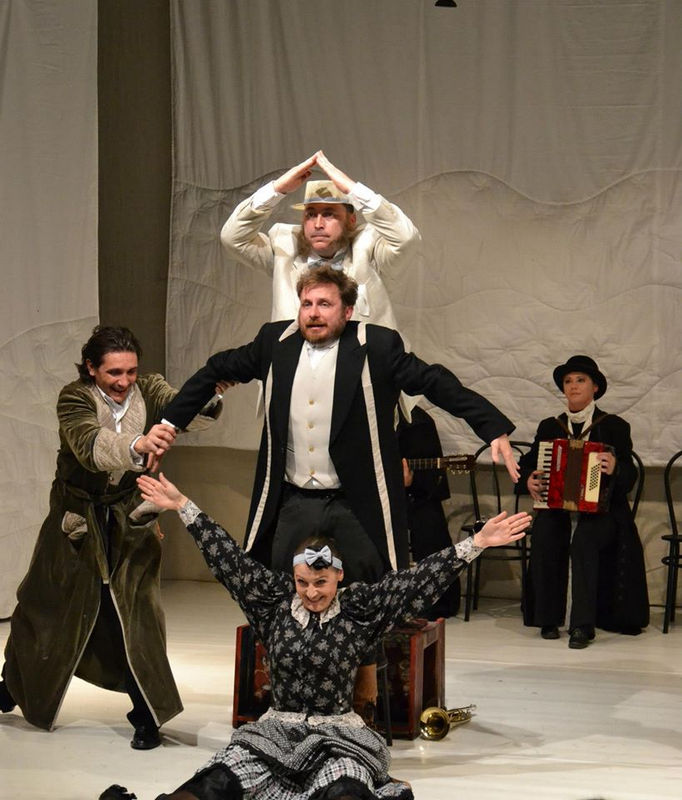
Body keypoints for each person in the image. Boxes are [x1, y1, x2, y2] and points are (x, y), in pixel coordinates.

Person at [160, 266, 520, 717]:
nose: (313, 313)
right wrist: (169, 422)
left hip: (355, 501)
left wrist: (492, 428)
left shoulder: (377, 345)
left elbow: (435, 382)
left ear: (347, 311)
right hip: (293, 497)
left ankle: (363, 701)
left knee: (368, 594)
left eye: (325, 304)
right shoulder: (274, 342)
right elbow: (217, 369)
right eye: (307, 304)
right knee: (278, 590)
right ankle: (282, 696)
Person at [99, 471, 531, 800]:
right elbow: (227, 559)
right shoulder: (271, 602)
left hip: (338, 740)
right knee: (211, 786)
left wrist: (476, 543)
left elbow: (417, 583)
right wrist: (182, 506)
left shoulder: (361, 609)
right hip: (273, 736)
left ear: (339, 577)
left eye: (320, 583)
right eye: (303, 582)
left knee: (345, 793)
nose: (310, 592)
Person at [0, 326, 221, 748]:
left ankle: (147, 715)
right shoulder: (74, 397)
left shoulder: (149, 389)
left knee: (136, 615)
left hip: (128, 518)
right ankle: (13, 687)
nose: (124, 381)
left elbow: (185, 411)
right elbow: (90, 446)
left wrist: (208, 393)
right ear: (91, 368)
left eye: (130, 371)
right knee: (43, 609)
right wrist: (140, 443)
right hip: (76, 519)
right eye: (114, 372)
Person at [516, 355, 649, 649]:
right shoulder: (550, 427)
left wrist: (615, 467)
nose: (573, 386)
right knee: (546, 532)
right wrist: (527, 480)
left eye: (580, 380)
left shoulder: (614, 426)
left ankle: (582, 626)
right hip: (557, 508)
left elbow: (630, 476)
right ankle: (548, 618)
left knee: (585, 540)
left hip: (603, 512)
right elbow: (525, 466)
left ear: (595, 388)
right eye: (568, 381)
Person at [221, 150, 419, 326]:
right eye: (310, 214)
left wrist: (353, 190)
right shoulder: (283, 249)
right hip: (296, 356)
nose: (317, 224)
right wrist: (277, 190)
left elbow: (406, 238)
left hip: (364, 356)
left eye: (329, 214)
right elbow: (232, 239)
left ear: (351, 221)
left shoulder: (371, 251)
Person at [398, 406, 461, 619]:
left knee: (430, 525)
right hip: (373, 500)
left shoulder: (418, 420)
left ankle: (437, 602)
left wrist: (409, 481)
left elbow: (432, 474)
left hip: (418, 496)